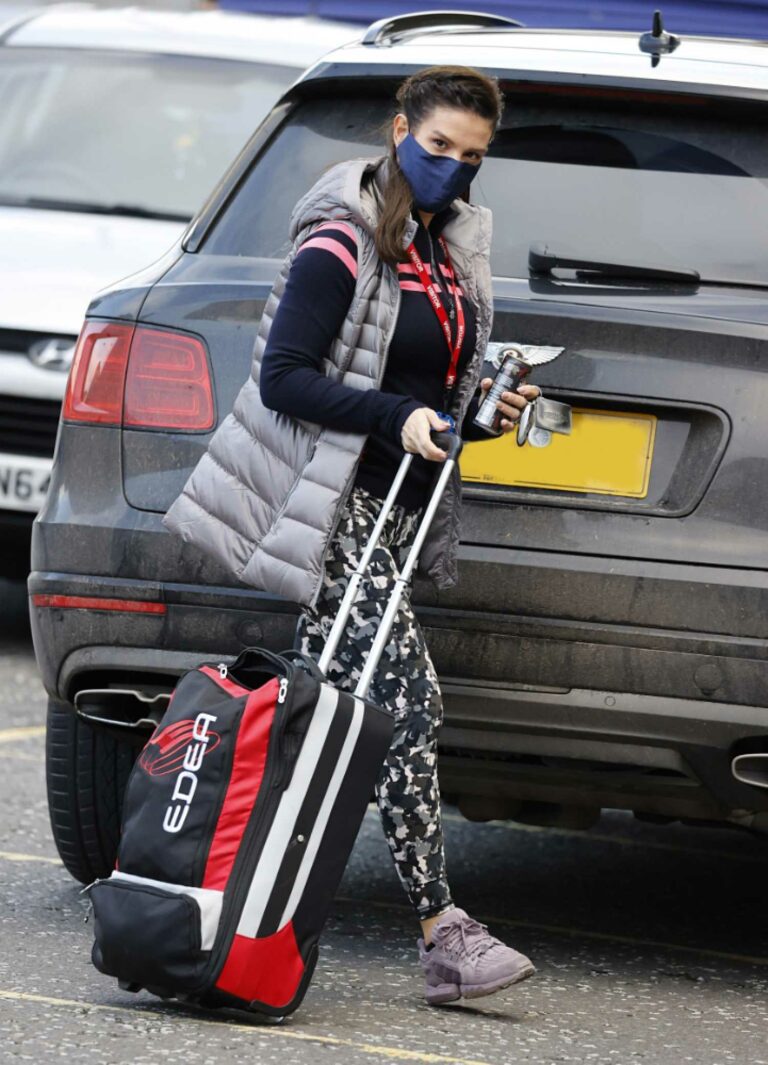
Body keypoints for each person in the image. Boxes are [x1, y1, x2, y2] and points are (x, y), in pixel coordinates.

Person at [165, 65, 539, 1006]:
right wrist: (389, 415)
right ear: (397, 128)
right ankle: (442, 931)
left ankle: (236, 909)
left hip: (394, 514)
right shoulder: (341, 242)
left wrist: (481, 415)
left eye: (473, 157)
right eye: (439, 146)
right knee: (408, 705)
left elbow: (427, 391)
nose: (453, 168)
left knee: (322, 720)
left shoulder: (443, 253)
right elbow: (284, 375)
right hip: (332, 510)